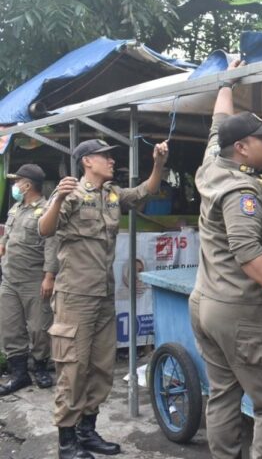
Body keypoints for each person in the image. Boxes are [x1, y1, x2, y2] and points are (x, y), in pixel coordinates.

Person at [189, 59, 262, 459]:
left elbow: (218, 123)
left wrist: (227, 83)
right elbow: (247, 251)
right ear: (241, 147)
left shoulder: (213, 164)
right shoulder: (242, 191)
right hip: (242, 311)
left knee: (223, 394)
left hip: (207, 302)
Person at [38, 138, 169, 459]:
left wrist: (159, 163)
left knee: (99, 367)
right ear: (87, 161)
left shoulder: (112, 194)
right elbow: (44, 229)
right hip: (74, 298)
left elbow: (145, 191)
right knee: (73, 369)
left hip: (103, 296)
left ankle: (88, 431)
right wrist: (57, 200)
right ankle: (67, 442)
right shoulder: (69, 193)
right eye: (105, 156)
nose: (111, 160)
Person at [0, 164, 58, 395]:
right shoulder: (15, 209)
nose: (15, 186)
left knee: (39, 328)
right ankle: (19, 373)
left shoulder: (46, 210)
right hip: (10, 279)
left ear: (27, 185)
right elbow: (8, 237)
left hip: (34, 279)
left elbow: (52, 245)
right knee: (10, 327)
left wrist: (49, 277)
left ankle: (41, 367)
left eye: (17, 182)